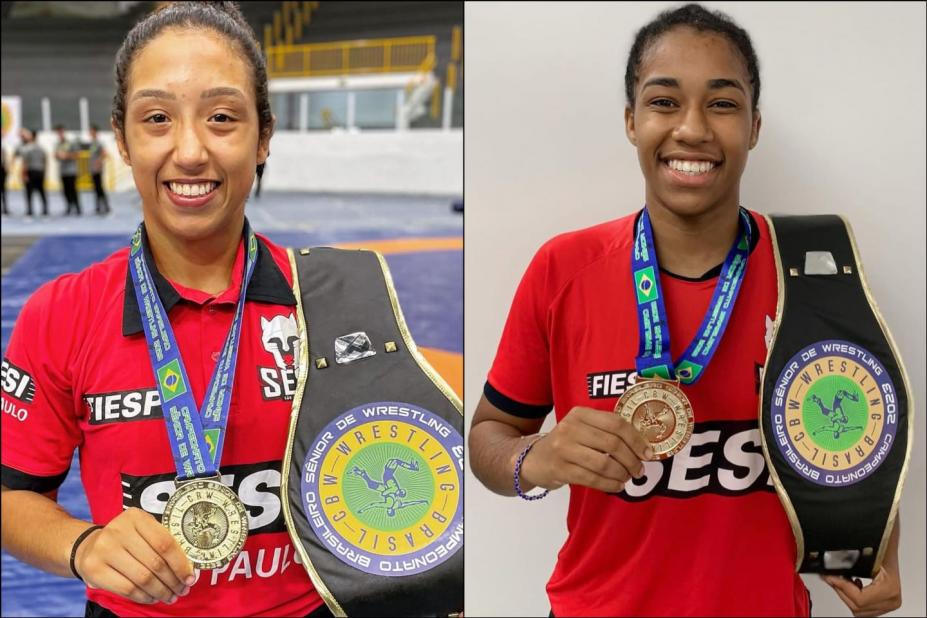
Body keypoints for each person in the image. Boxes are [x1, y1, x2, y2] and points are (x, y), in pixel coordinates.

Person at [468, 4, 903, 618]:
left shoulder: (814, 269)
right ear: (631, 120)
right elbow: (487, 436)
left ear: (753, 125)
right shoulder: (563, 268)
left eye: (722, 104)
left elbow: (864, 436)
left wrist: (880, 544)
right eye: (664, 102)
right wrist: (531, 459)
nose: (692, 129)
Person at [1, 3, 332, 617]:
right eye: (156, 118)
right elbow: (11, 497)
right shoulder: (60, 313)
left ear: (263, 137)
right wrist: (84, 546)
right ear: (122, 140)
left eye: (222, 117)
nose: (189, 151)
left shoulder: (333, 298)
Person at [13, 128, 49, 217]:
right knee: (41, 192)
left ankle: (30, 210)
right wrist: (45, 172)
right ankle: (44, 210)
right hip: (40, 171)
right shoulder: (41, 147)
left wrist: (24, 174)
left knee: (30, 192)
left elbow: (25, 162)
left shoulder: (28, 148)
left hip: (31, 171)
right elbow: (45, 160)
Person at [55, 124, 82, 215]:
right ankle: (69, 207)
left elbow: (77, 155)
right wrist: (57, 155)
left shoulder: (71, 143)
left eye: (61, 132)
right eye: (58, 133)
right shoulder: (58, 144)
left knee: (73, 190)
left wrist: (67, 155)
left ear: (64, 132)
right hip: (63, 171)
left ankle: (78, 208)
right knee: (65, 191)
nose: (60, 134)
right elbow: (56, 156)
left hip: (71, 171)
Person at [88, 124, 111, 215]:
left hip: (98, 169)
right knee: (96, 188)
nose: (90, 133)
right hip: (92, 169)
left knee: (100, 188)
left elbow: (105, 153)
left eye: (92, 131)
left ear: (95, 132)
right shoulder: (92, 143)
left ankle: (106, 206)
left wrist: (99, 161)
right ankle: (98, 207)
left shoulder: (99, 143)